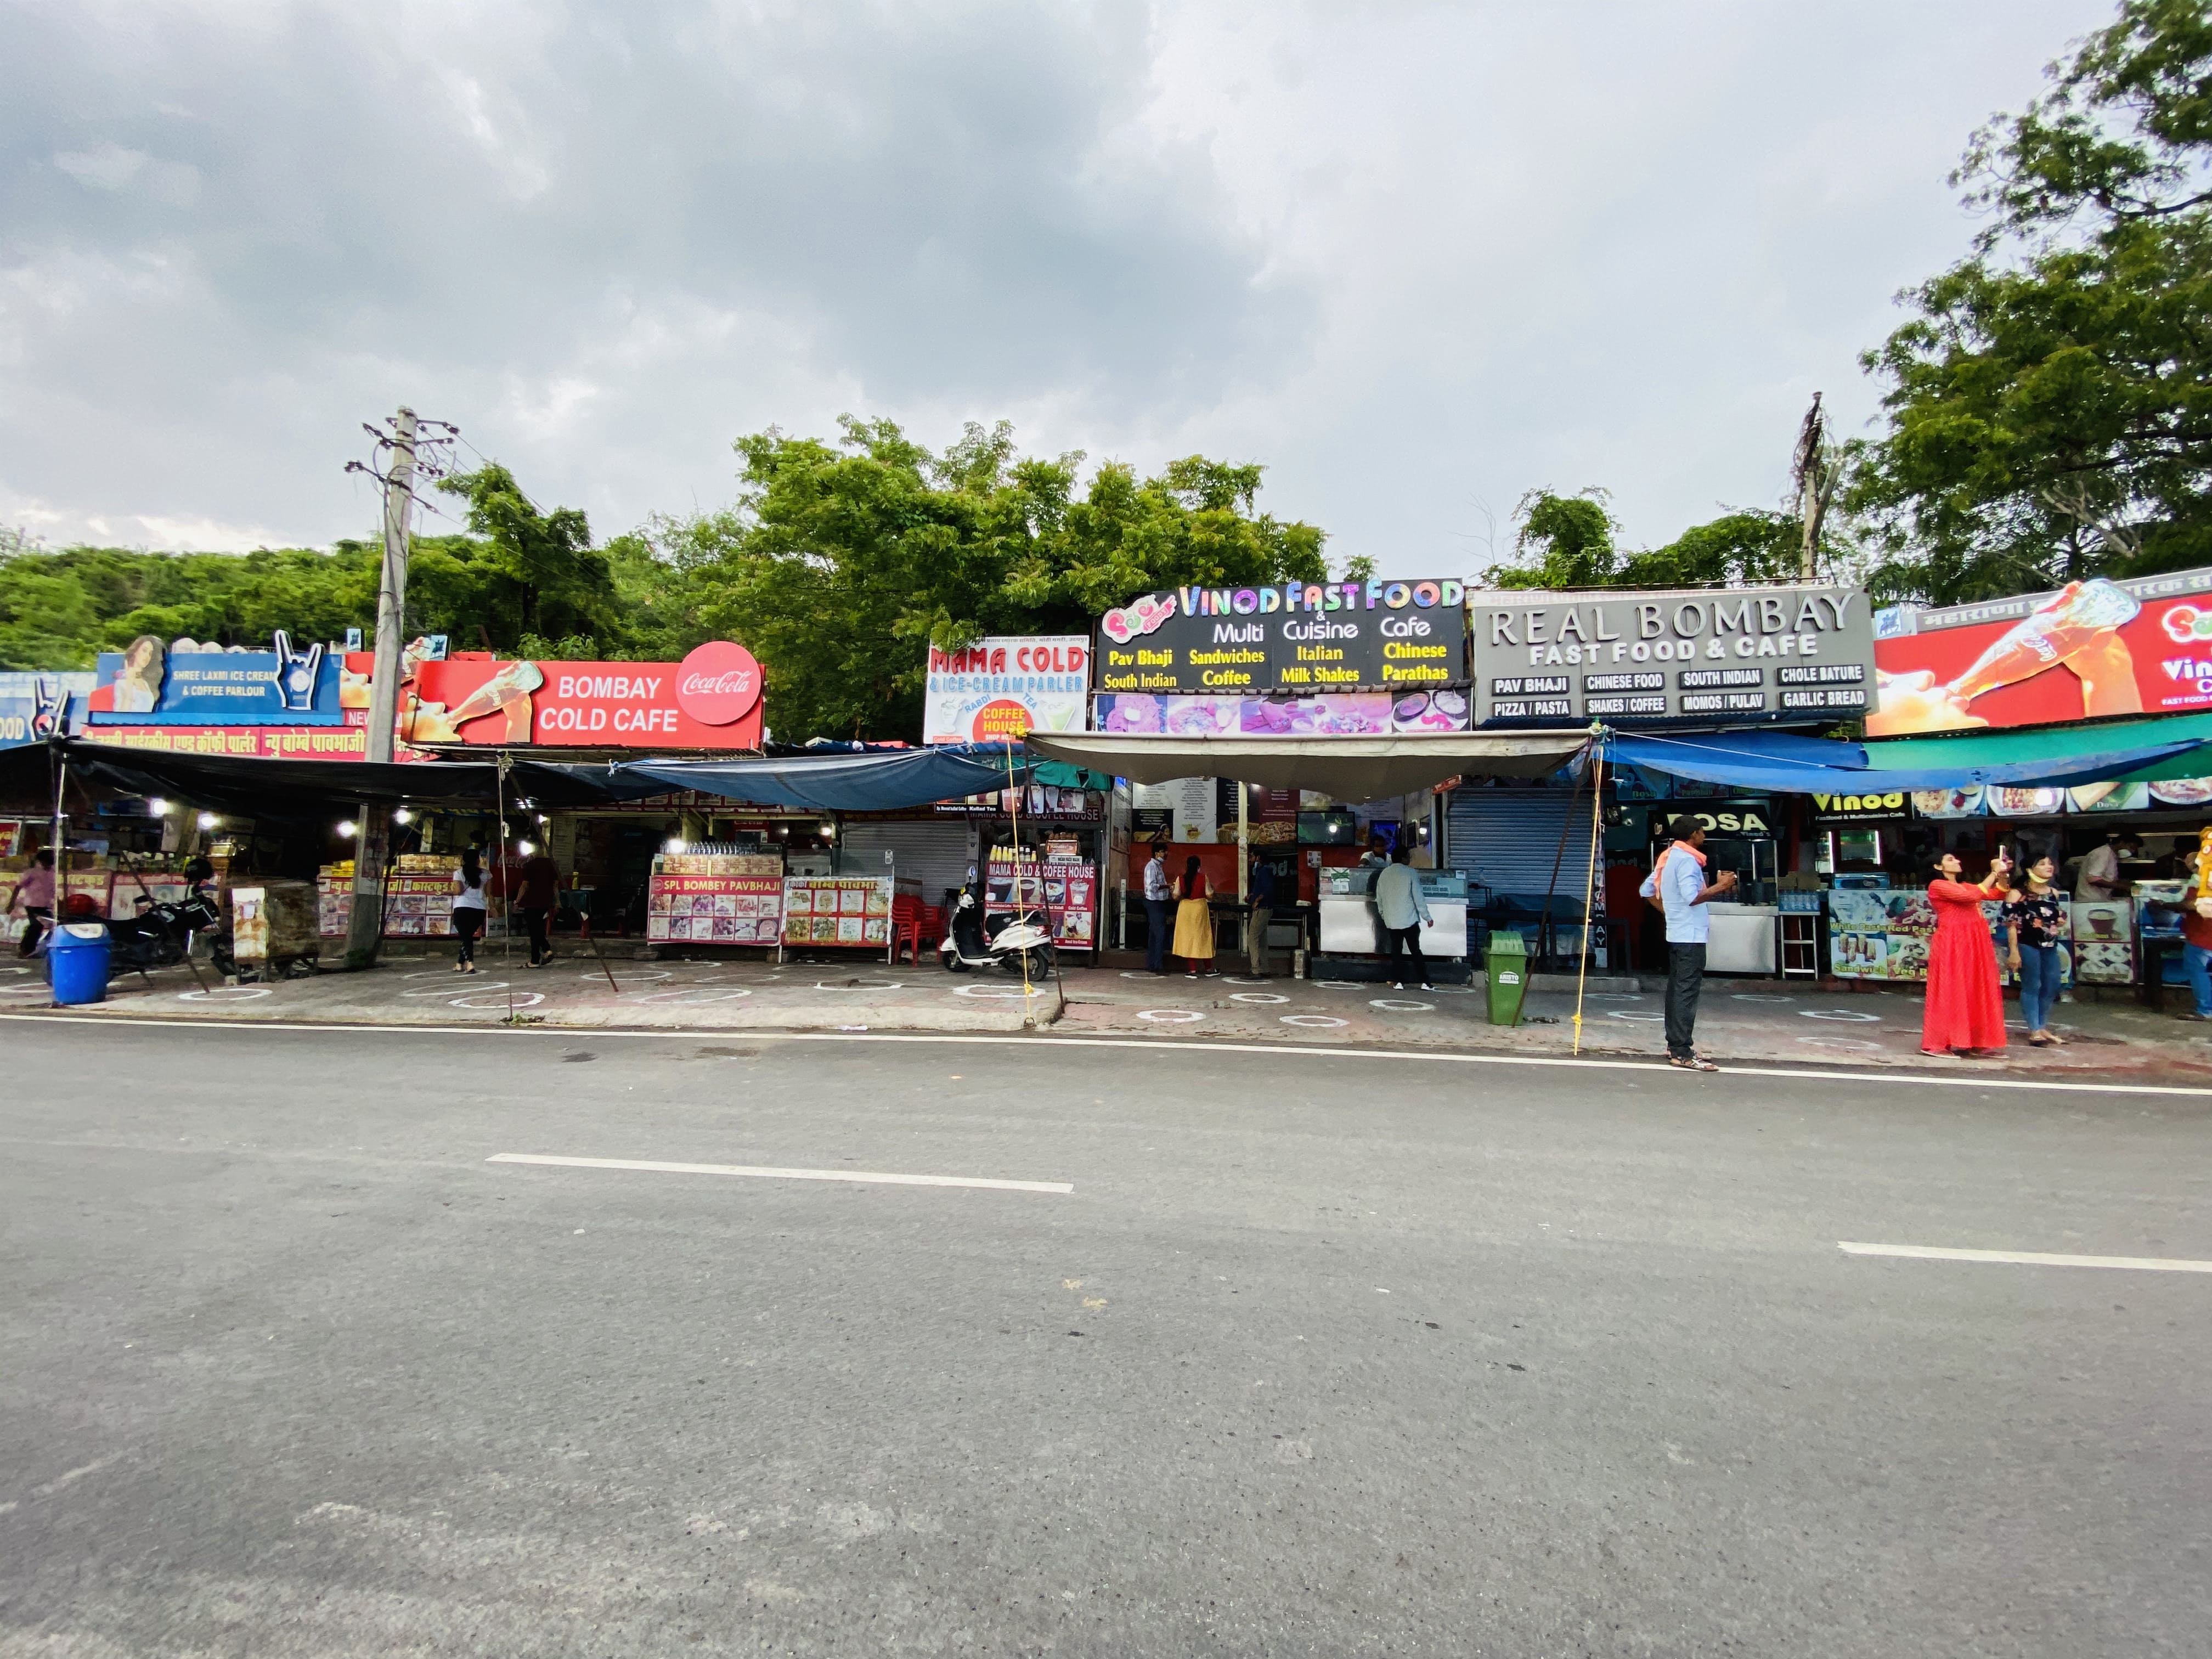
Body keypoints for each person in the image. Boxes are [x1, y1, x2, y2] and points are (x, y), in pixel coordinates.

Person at [1641, 815, 1736, 1071]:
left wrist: (1669, 913)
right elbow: (1692, 897)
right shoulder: (1687, 860)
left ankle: (1676, 1045)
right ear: (1693, 834)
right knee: (1686, 993)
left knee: (1677, 991)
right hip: (1691, 937)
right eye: (1702, 832)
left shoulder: (1668, 857)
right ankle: (1682, 1051)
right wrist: (1721, 886)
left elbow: (1646, 891)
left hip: (1677, 933)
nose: (1704, 837)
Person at [1922, 850, 2011, 1057]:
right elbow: (1971, 897)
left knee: (1977, 988)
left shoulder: (1965, 885)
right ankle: (1938, 1043)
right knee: (1951, 990)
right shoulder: (1938, 886)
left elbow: (1999, 893)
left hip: (1975, 942)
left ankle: (1978, 1041)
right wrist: (1992, 872)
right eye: (1950, 860)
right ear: (1938, 867)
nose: (1958, 861)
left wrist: (2003, 873)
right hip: (1952, 943)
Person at [2004, 853, 2067, 1046]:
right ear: (2030, 870)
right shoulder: (2017, 893)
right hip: (2027, 945)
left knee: (2052, 985)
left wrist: (2059, 920)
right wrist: (2014, 952)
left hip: (2050, 945)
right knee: (2033, 986)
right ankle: (2034, 1029)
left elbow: (2056, 916)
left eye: (2050, 863)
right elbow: (2011, 924)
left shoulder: (2053, 893)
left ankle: (2042, 1025)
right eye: (2042, 864)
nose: (2049, 866)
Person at [1373, 844, 1433, 991]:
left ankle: (1398, 982)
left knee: (1396, 952)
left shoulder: (1384, 874)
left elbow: (1379, 898)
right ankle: (1425, 982)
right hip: (1409, 920)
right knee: (1415, 951)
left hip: (1392, 921)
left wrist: (1384, 915)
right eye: (1408, 857)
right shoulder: (1410, 873)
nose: (1409, 859)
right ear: (1403, 858)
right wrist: (1427, 917)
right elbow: (1418, 897)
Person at [2181, 839, 2212, 1023]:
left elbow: (2192, 905)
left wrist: (2169, 904)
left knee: (2196, 970)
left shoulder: (2201, 883)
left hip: (2202, 936)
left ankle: (2206, 1009)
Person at [1172, 855, 1218, 978]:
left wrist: (1173, 890)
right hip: (1200, 908)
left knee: (1188, 939)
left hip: (1185, 909)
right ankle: (1208, 969)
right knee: (1203, 938)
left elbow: (1176, 896)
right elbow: (1209, 895)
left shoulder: (1180, 878)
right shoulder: (1204, 877)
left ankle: (1192, 970)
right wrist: (1213, 888)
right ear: (1199, 866)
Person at [7, 848, 56, 959]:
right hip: (32, 905)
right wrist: (11, 903)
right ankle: (25, 948)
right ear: (40, 861)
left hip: (46, 905)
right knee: (36, 925)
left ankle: (29, 949)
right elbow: (18, 887)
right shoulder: (32, 873)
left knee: (39, 927)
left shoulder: (52, 873)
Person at [517, 845, 558, 968]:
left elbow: (525, 885)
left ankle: (543, 953)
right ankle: (537, 957)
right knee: (538, 928)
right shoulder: (552, 866)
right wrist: (557, 902)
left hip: (532, 901)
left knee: (534, 930)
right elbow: (556, 886)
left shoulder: (530, 865)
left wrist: (517, 900)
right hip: (546, 901)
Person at [450, 846, 488, 974]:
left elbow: (458, 891)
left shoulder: (459, 873)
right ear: (478, 860)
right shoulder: (487, 874)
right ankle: (460, 964)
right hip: (479, 909)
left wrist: (447, 891)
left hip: (462, 907)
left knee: (466, 936)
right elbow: (490, 893)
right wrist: (493, 908)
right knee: (467, 936)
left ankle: (470, 963)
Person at [1142, 842, 1172, 975]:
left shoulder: (1159, 867)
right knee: (1159, 934)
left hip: (1160, 902)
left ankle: (1153, 964)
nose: (1166, 854)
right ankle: (1158, 966)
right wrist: (1167, 886)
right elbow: (1151, 886)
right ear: (1156, 853)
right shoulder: (1151, 867)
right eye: (1163, 851)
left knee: (1154, 935)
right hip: (1154, 903)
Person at [1245, 857, 1278, 978]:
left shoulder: (1263, 872)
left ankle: (1255, 970)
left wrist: (1257, 901)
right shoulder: (1268, 871)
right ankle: (1264, 968)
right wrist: (1252, 896)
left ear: (1258, 858)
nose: (1251, 859)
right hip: (1268, 909)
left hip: (1262, 909)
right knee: (1262, 940)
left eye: (1253, 856)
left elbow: (1267, 889)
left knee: (1252, 938)